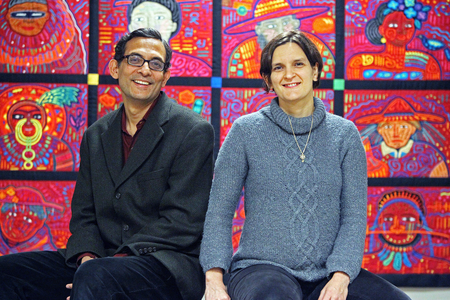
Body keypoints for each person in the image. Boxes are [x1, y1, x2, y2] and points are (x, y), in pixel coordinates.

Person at [0, 27, 214, 300]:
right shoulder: (95, 135)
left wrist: (106, 266)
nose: (145, 70)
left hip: (162, 263)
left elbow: (182, 222)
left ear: (165, 77)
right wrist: (88, 257)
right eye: (135, 60)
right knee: (7, 271)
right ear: (115, 67)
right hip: (102, 258)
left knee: (95, 278)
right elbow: (85, 214)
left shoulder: (193, 131)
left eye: (156, 64)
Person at [200, 30, 410, 300]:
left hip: (328, 272)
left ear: (315, 71)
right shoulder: (245, 132)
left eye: (298, 64)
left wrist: (341, 276)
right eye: (278, 68)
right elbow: (219, 212)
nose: (289, 74)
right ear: (268, 80)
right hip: (260, 269)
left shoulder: (345, 135)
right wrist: (214, 279)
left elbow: (354, 218)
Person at [354, 97, 448, 178]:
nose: (395, 133)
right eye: (388, 127)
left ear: (413, 129)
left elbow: (442, 191)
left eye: (403, 127)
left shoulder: (430, 155)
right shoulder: (369, 155)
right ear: (380, 130)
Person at [346, 0, 440, 80]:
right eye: (393, 25)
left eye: (408, 26)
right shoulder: (359, 63)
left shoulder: (426, 63)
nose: (401, 31)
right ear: (381, 30)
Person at [127, 0, 211, 77]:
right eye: (140, 19)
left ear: (173, 25)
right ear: (130, 27)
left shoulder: (195, 68)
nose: (150, 25)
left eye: (159, 18)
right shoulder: (122, 66)